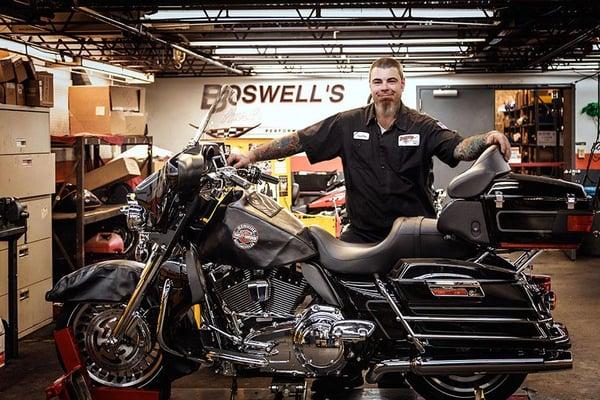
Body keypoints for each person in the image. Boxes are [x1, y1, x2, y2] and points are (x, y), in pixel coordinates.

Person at [228, 56, 511, 244]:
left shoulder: (422, 126)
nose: (384, 87)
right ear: (371, 86)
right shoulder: (347, 123)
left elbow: (458, 147)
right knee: (329, 275)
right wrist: (252, 155)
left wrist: (487, 138)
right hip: (363, 235)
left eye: (391, 81)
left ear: (402, 84)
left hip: (413, 232)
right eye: (378, 81)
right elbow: (299, 140)